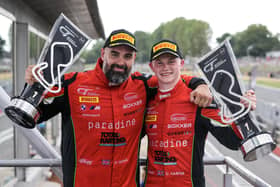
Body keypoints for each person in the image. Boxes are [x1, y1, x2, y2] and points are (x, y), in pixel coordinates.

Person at [24, 29, 212, 187]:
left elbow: (172, 78)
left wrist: (201, 84)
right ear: (103, 54)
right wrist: (33, 84)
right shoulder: (71, 84)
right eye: (114, 54)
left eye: (127, 56)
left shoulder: (143, 85)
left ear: (134, 59)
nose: (121, 62)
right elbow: (34, 116)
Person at [144, 39, 256, 187]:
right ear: (152, 66)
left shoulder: (200, 98)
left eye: (171, 62)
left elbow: (233, 140)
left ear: (181, 64)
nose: (165, 68)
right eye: (159, 63)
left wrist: (243, 109)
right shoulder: (146, 98)